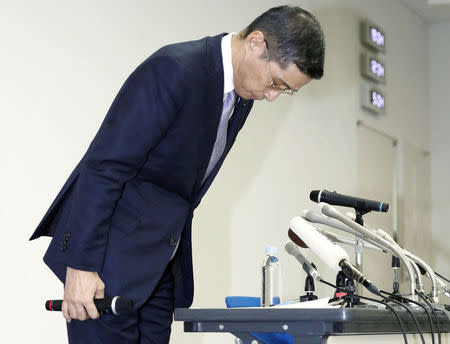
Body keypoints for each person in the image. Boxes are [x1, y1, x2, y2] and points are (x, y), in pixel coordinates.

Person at [29, 5, 325, 343]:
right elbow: (105, 166)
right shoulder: (175, 69)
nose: (272, 96)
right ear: (256, 43)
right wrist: (81, 266)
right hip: (106, 266)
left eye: (285, 91)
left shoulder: (240, 98)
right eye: (276, 82)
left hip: (157, 271)